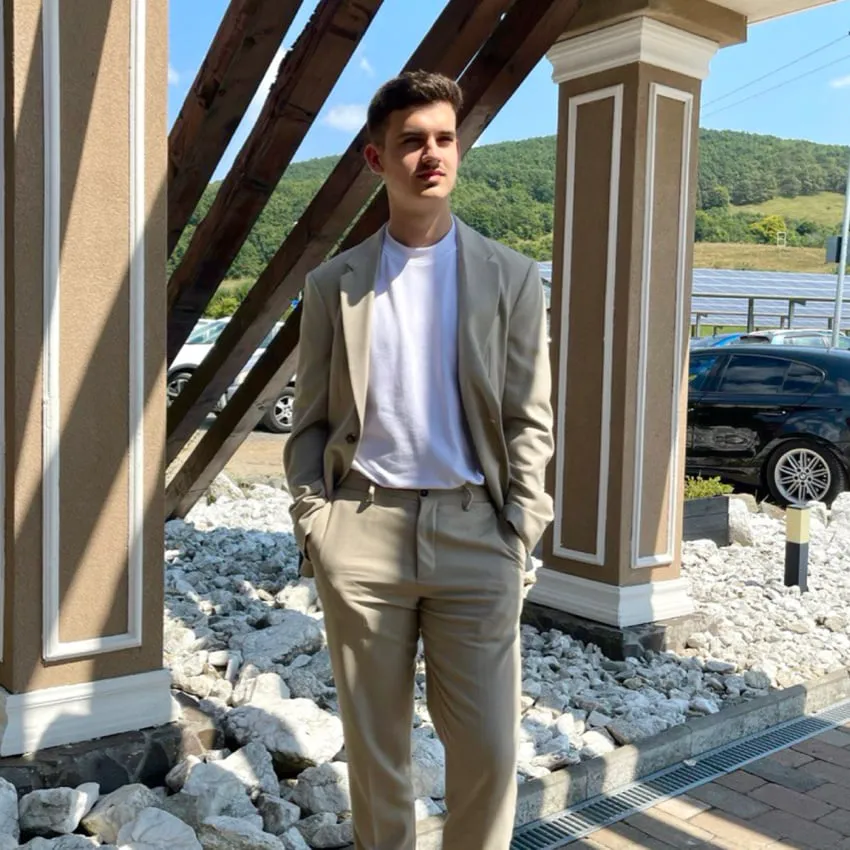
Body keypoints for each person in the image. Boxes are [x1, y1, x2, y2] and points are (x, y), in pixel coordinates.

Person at [283, 70, 554, 850]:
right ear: (377, 159)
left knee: (489, 753)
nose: (431, 154)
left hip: (477, 534)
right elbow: (311, 422)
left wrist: (520, 525)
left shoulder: (510, 276)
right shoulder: (333, 285)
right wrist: (317, 524)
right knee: (378, 757)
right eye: (411, 141)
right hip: (362, 532)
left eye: (444, 138)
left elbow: (528, 415)